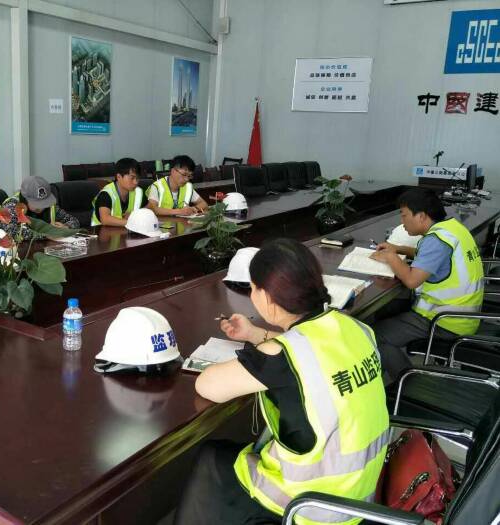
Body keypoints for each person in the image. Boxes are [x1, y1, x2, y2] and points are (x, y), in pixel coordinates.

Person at [175, 238, 389, 525]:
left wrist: (263, 347)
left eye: (253, 288)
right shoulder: (356, 328)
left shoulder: (283, 357)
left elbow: (207, 385)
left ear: (265, 297)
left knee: (212, 459)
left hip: (312, 505)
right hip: (359, 494)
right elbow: (313, 350)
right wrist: (255, 335)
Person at [371, 188, 483, 385]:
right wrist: (398, 249)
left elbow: (412, 280)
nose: (402, 222)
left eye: (404, 215)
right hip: (463, 315)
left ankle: (409, 385)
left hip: (444, 321)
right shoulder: (451, 229)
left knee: (374, 335)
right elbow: (428, 255)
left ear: (421, 216)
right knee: (389, 312)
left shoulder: (436, 240)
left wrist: (391, 257)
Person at [0, 175, 79, 240]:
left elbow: (74, 221)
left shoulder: (50, 207)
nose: (41, 207)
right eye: (36, 203)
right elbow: (10, 232)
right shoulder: (11, 206)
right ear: (25, 199)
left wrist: (66, 227)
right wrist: (46, 234)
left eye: (44, 202)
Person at [91, 157, 148, 227]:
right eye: (132, 178)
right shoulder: (106, 194)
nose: (136, 182)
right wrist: (132, 222)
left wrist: (135, 214)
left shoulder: (138, 192)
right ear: (119, 177)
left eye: (137, 178)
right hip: (101, 232)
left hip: (126, 231)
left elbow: (150, 207)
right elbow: (105, 219)